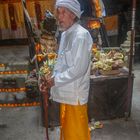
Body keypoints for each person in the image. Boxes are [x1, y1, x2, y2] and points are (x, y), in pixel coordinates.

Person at [40, 0, 93, 139]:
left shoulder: (81, 36)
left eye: (63, 12)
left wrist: (54, 81)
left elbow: (78, 69)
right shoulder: (65, 34)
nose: (59, 16)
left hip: (75, 98)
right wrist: (50, 79)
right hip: (65, 94)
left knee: (77, 135)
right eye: (58, 12)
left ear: (73, 15)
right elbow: (60, 63)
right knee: (68, 134)